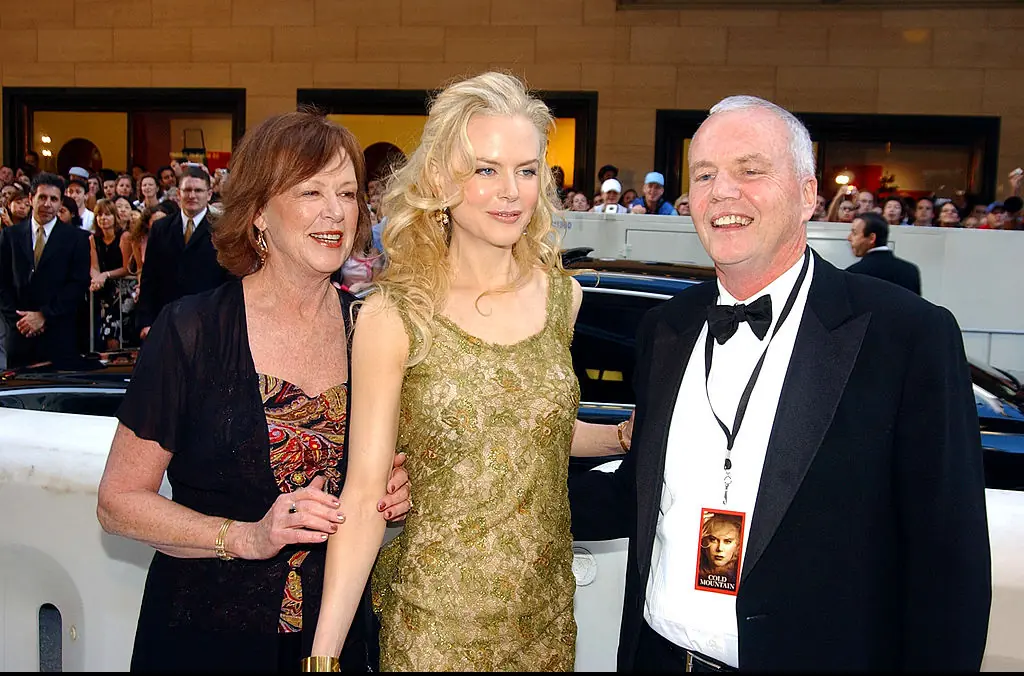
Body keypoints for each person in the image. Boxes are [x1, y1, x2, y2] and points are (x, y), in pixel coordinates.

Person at [568, 95, 991, 671]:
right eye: (706, 174)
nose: (723, 192)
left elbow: (949, 565)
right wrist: (461, 489)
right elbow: (634, 497)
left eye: (751, 170)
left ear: (809, 195)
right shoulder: (666, 328)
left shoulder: (907, 337)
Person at [308, 71, 624, 672]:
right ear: (439, 181)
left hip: (545, 625)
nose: (511, 191)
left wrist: (613, 436)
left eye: (527, 170)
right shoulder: (395, 316)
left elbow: (522, 429)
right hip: (433, 631)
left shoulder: (565, 298)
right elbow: (365, 492)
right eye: (486, 169)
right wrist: (321, 661)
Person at [96, 110, 414, 673]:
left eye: (346, 192)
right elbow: (119, 503)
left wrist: (390, 496)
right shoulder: (191, 330)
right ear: (259, 211)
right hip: (205, 637)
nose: (334, 211)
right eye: (311, 190)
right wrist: (246, 536)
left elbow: (373, 490)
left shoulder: (370, 332)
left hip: (332, 639)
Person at [0, 172, 90, 368]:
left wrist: (43, 316)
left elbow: (78, 285)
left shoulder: (77, 239)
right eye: (42, 197)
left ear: (60, 203)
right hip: (19, 336)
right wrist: (21, 321)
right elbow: (2, 283)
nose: (47, 204)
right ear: (31, 199)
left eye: (53, 199)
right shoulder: (10, 236)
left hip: (59, 337)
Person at [135, 166, 233, 340]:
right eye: (187, 190)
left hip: (209, 322)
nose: (192, 195)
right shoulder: (160, 228)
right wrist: (145, 321)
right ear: (178, 194)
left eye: (198, 190)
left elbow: (230, 279)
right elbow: (150, 276)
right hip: (167, 321)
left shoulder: (224, 229)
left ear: (209, 194)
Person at [89, 199, 135, 350]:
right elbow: (94, 266)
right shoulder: (93, 239)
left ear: (115, 217)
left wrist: (105, 275)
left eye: (108, 214)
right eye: (100, 215)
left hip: (124, 288)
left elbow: (126, 268)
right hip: (104, 288)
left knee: (113, 328)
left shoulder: (124, 236)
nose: (103, 218)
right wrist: (96, 278)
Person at [846, 211, 921, 295]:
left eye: (854, 233)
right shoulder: (910, 270)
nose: (849, 238)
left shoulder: (853, 273)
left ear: (871, 238)